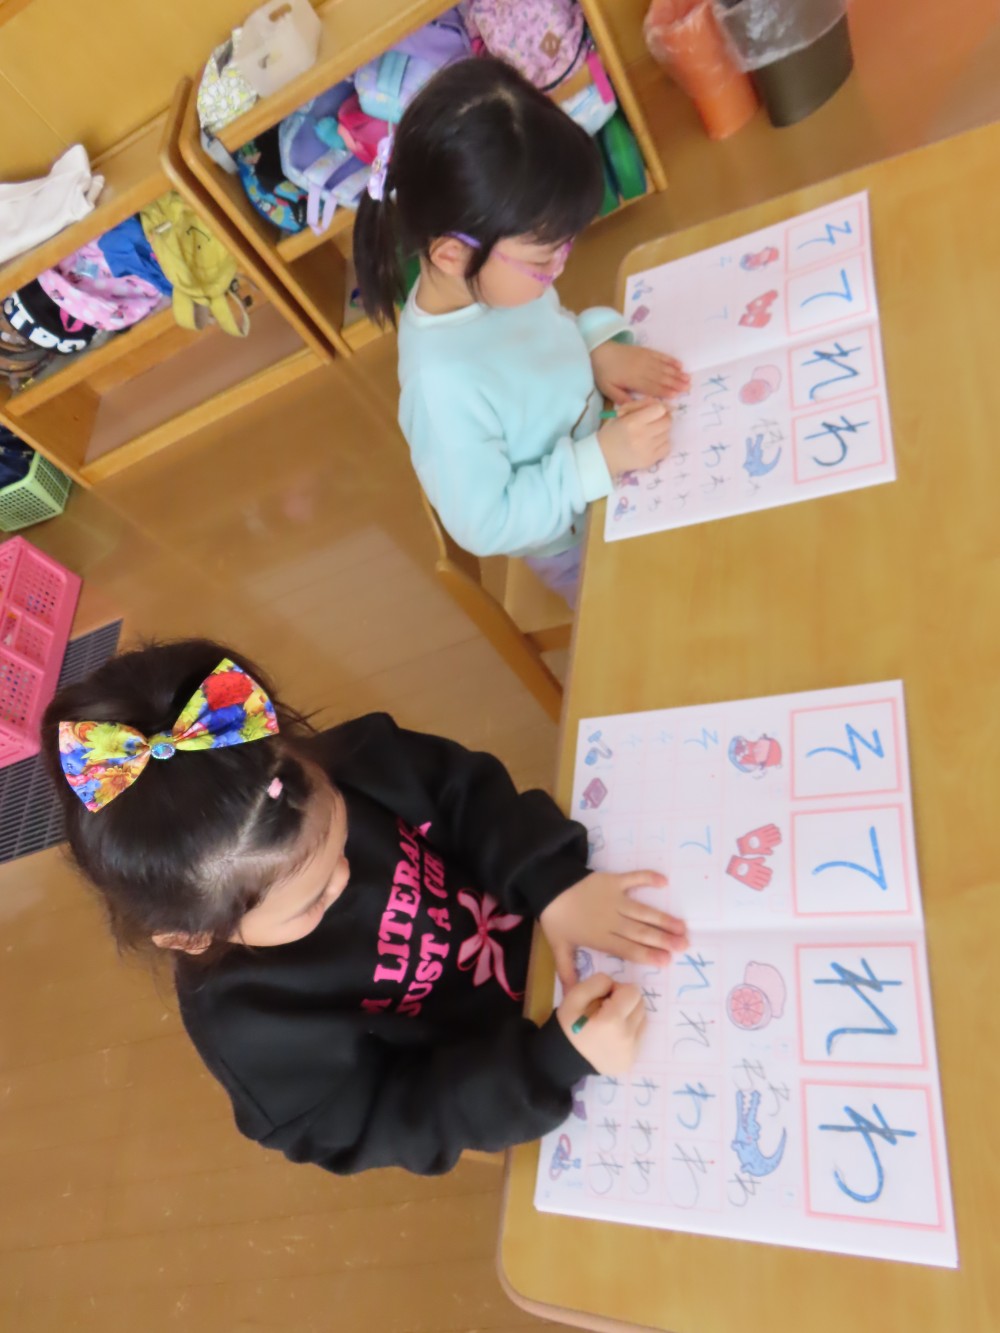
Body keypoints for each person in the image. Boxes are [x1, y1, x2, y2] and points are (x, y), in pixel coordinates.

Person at [43, 639, 689, 1174]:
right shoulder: (255, 1037)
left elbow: (462, 791)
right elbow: (398, 1116)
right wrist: (550, 1064)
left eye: (341, 835)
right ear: (189, 936)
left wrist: (552, 881)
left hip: (567, 922)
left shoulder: (348, 761)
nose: (346, 877)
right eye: (314, 898)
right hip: (543, 1064)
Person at [354, 58, 689, 606]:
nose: (558, 268)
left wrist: (594, 349)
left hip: (615, 458)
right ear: (453, 255)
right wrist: (599, 461)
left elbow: (549, 333)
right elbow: (488, 523)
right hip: (577, 539)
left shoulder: (497, 285)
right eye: (542, 260)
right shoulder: (441, 385)